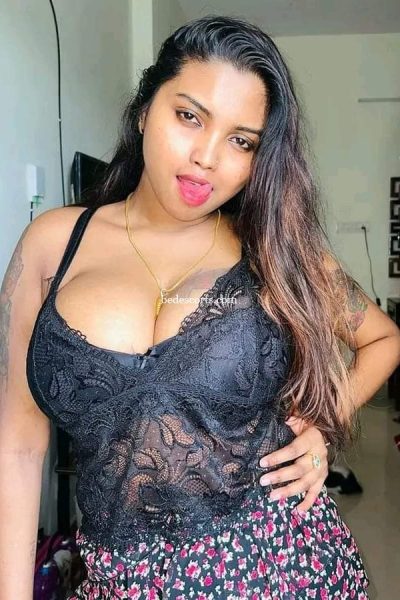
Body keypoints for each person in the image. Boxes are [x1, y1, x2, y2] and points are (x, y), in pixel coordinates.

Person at [1, 14, 399, 600]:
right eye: (189, 116)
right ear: (144, 109)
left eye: (242, 141)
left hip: (280, 566)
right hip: (120, 580)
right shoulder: (52, 245)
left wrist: (320, 426)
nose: (207, 157)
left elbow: (384, 338)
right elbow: (17, 447)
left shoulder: (273, 250)